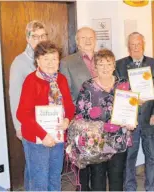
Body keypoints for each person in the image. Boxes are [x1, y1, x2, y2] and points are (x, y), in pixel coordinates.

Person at [17, 41, 75, 191]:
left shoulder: (60, 79)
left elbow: (69, 106)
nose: (50, 63)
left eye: (54, 59)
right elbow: (22, 113)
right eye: (46, 59)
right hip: (37, 140)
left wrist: (67, 119)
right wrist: (43, 135)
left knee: (55, 177)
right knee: (39, 181)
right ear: (37, 60)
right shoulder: (31, 81)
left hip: (58, 135)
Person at [74, 49, 135, 191]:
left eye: (109, 64)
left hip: (118, 139)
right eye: (101, 64)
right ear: (94, 67)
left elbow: (131, 107)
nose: (105, 68)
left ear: (114, 66)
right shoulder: (87, 87)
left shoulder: (124, 84)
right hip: (96, 141)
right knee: (97, 178)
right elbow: (79, 115)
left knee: (117, 178)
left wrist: (131, 120)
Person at [116, 32, 154, 191]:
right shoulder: (119, 65)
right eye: (132, 44)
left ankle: (151, 188)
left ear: (143, 45)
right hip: (129, 120)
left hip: (150, 117)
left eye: (138, 44)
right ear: (128, 46)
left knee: (153, 157)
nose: (135, 47)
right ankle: (129, 187)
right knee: (128, 157)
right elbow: (116, 90)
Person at [59, 26, 97, 191]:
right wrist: (77, 113)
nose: (88, 41)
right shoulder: (67, 62)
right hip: (80, 117)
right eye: (83, 38)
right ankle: (82, 188)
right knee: (82, 157)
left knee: (99, 154)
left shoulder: (103, 57)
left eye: (91, 37)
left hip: (102, 118)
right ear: (77, 42)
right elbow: (65, 92)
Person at [10, 20, 48, 141]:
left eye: (43, 36)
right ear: (27, 38)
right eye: (35, 36)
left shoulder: (51, 58)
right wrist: (18, 126)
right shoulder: (19, 62)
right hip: (30, 122)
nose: (40, 40)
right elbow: (15, 96)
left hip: (50, 121)